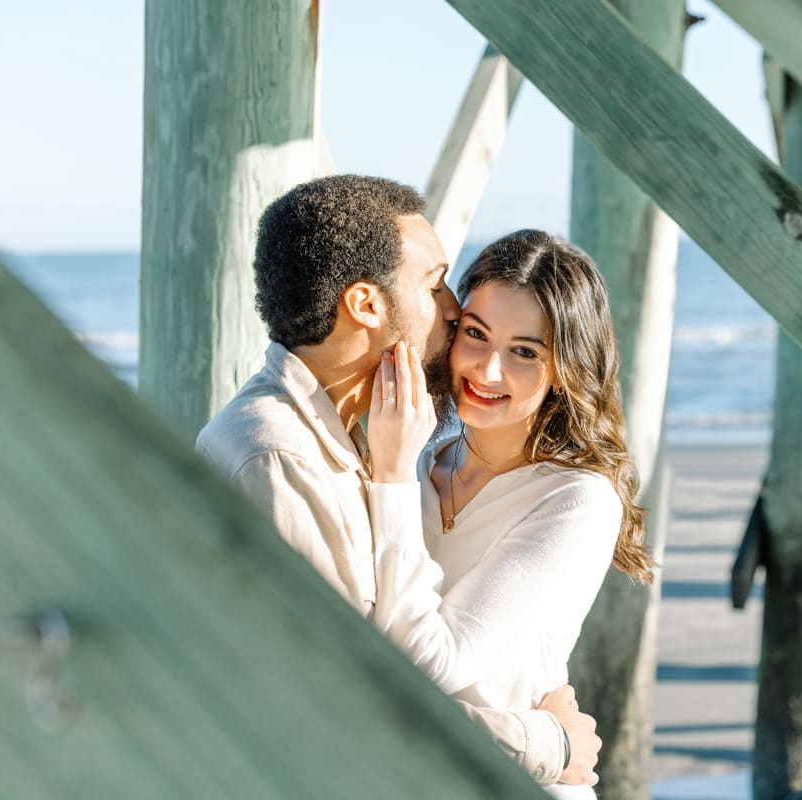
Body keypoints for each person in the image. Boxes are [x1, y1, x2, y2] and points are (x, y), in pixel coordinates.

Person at [196, 175, 598, 787]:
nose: (452, 310)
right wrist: (547, 741)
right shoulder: (285, 462)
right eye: (435, 285)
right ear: (366, 305)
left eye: (524, 351)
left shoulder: (365, 441)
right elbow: (354, 707)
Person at [364, 229, 655, 800]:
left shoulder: (577, 501)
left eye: (525, 351)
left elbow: (430, 665)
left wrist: (391, 474)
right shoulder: (418, 464)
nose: (486, 371)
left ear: (565, 368)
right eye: (475, 334)